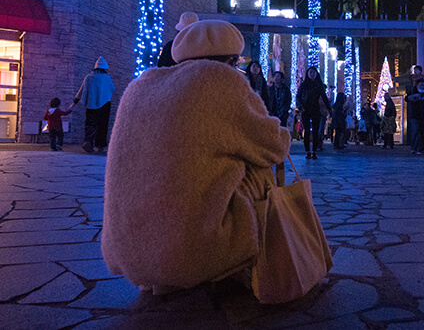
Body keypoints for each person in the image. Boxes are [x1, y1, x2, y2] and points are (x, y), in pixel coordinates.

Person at [101, 20, 291, 296]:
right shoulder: (222, 81)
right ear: (230, 59)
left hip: (127, 252)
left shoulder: (139, 86)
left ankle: (164, 269)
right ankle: (220, 262)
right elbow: (273, 145)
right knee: (258, 167)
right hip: (190, 249)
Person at [74, 57, 115, 153]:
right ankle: (100, 145)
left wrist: (76, 99)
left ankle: (88, 142)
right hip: (105, 104)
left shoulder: (89, 77)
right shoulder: (107, 78)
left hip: (91, 104)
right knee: (102, 125)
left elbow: (82, 89)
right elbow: (112, 89)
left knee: (90, 125)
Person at [296, 67, 331, 159]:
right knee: (307, 131)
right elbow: (298, 96)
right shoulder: (304, 85)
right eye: (310, 72)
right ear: (307, 74)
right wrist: (300, 106)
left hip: (315, 109)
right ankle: (307, 151)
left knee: (316, 131)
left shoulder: (318, 85)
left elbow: (324, 98)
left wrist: (329, 109)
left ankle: (314, 151)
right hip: (305, 109)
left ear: (316, 74)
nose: (312, 74)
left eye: (314, 73)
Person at [406, 79, 424, 155]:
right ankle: (413, 148)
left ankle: (421, 149)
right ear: (417, 85)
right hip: (415, 116)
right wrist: (413, 96)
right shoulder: (413, 91)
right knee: (415, 132)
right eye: (421, 85)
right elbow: (407, 98)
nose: (422, 86)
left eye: (423, 85)